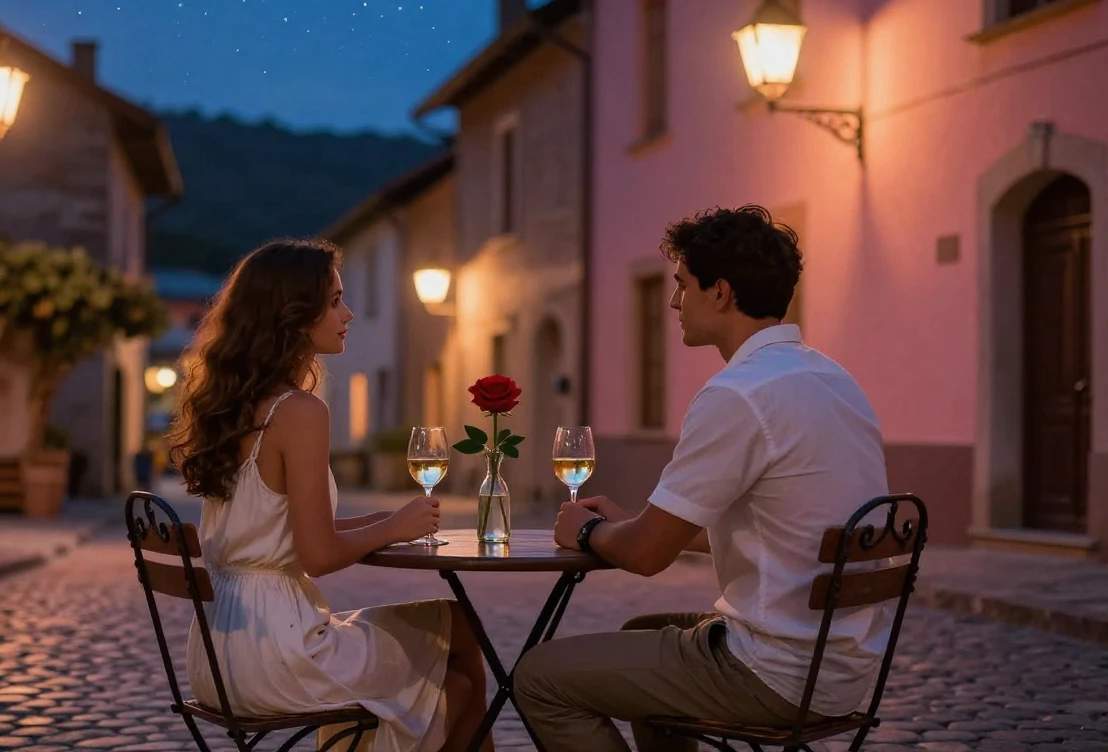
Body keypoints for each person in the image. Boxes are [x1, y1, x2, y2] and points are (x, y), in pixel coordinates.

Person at [514, 206, 891, 751]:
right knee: (642, 634)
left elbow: (645, 557)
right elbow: (782, 532)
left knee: (538, 677)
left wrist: (587, 531)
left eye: (682, 284)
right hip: (842, 665)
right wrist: (637, 523)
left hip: (775, 671)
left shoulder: (738, 393)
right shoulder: (833, 379)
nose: (673, 302)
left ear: (720, 292)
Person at [167, 238, 491, 752]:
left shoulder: (237, 407)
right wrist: (392, 527)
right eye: (335, 300)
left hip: (220, 653)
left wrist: (381, 522)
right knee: (457, 669)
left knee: (456, 629)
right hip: (281, 652)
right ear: (295, 315)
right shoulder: (298, 411)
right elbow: (317, 555)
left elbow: (280, 528)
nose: (349, 313)